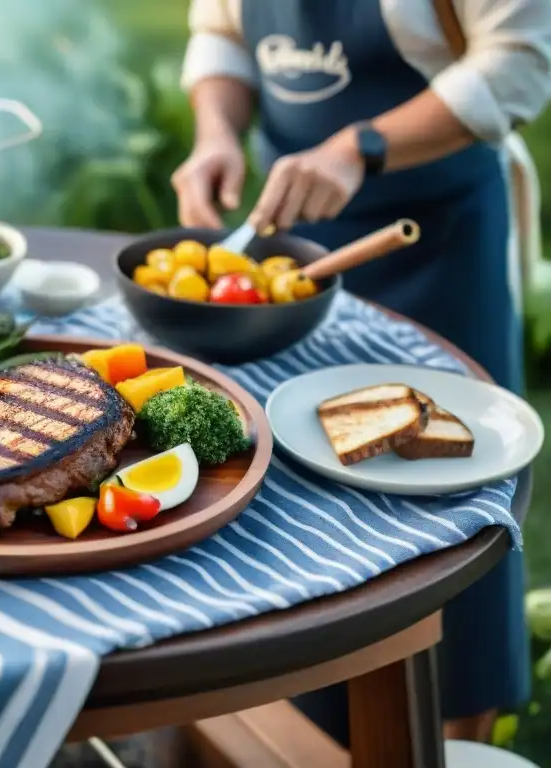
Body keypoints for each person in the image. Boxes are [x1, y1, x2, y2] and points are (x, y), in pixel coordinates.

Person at [173, 0, 551, 744]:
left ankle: (444, 735)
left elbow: (520, 60)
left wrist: (360, 146)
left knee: (450, 511)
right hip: (296, 244)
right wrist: (216, 132)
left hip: (436, 243)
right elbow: (219, 36)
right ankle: (303, 731)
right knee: (302, 507)